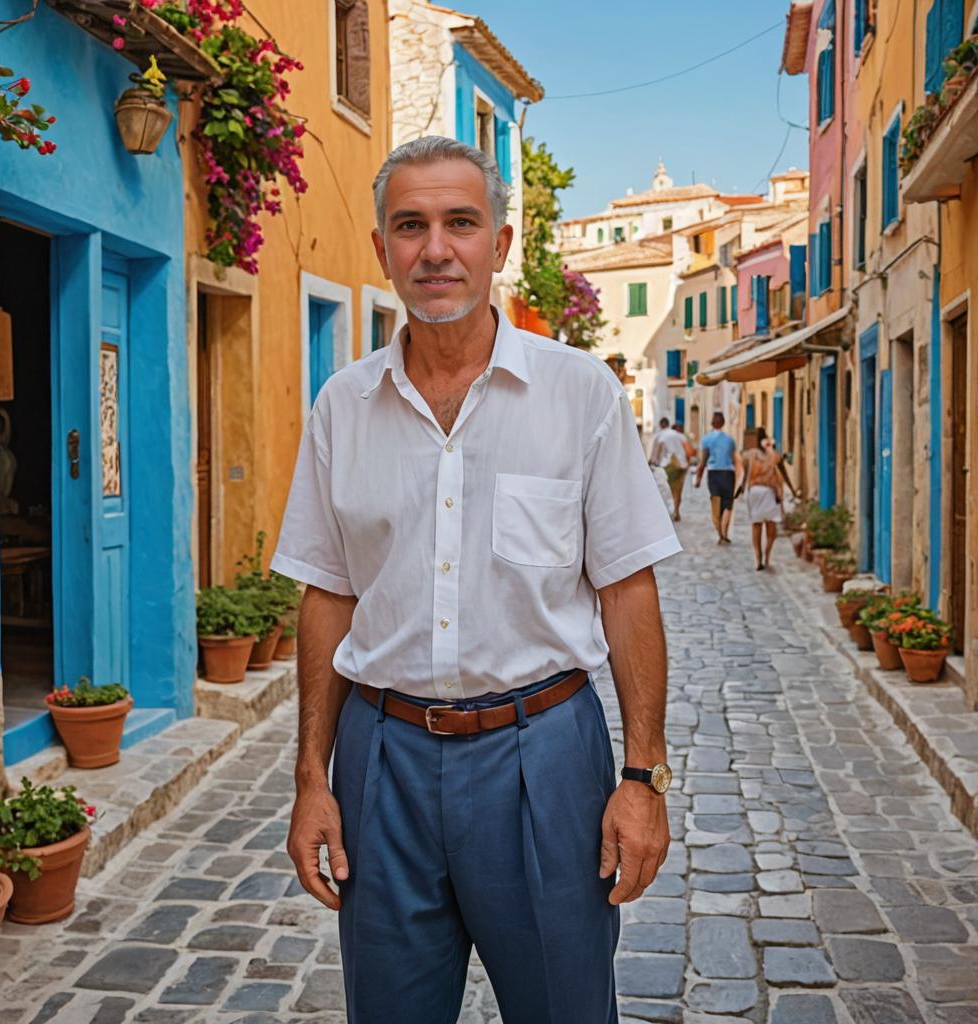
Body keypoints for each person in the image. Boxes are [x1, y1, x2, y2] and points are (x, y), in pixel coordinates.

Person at [272, 136, 681, 1024]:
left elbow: (626, 589)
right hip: (381, 760)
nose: (436, 249)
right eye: (410, 226)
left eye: (461, 223)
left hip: (545, 755)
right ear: (381, 249)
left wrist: (641, 779)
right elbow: (326, 594)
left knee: (566, 1007)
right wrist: (313, 778)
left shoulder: (581, 395)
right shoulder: (343, 405)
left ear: (499, 244)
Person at [741, 427, 797, 570]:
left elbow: (745, 469)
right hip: (767, 492)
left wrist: (741, 489)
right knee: (771, 527)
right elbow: (781, 469)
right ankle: (767, 556)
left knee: (756, 525)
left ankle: (758, 558)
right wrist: (792, 489)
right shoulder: (772, 455)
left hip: (753, 491)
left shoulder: (750, 454)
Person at [694, 411, 743, 543]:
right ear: (723, 423)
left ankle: (720, 533)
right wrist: (740, 480)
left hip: (713, 474)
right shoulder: (730, 440)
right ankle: (724, 533)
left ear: (712, 423)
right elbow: (735, 460)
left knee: (716, 502)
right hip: (728, 474)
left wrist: (698, 477)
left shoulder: (706, 439)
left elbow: (703, 461)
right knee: (728, 504)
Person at [650, 419, 690, 521]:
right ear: (668, 424)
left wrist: (651, 463)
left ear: (661, 425)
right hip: (681, 465)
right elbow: (688, 450)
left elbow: (655, 453)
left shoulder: (659, 436)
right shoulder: (679, 435)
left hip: (667, 465)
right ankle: (676, 510)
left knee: (669, 490)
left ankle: (670, 511)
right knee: (678, 490)